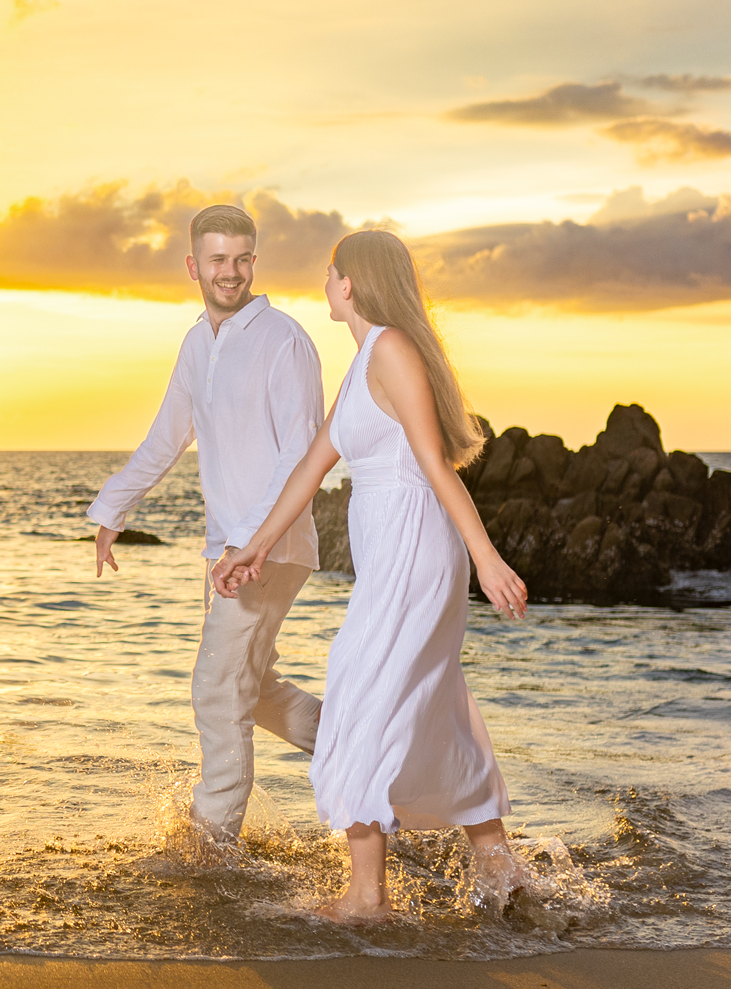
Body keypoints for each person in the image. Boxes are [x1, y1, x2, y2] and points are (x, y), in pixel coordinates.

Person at [213, 229, 528, 922]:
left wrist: (486, 557)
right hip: (392, 553)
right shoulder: (362, 361)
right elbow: (311, 468)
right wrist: (253, 548)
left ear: (349, 282)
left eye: (329, 274)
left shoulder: (390, 348)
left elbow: (435, 465)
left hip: (416, 547)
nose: (324, 284)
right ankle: (498, 862)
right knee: (430, 697)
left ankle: (366, 896)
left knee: (361, 688)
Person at [87, 203, 325, 845]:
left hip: (272, 547)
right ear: (194, 264)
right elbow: (167, 435)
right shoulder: (199, 342)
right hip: (232, 550)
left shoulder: (285, 341)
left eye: (243, 258)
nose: (232, 272)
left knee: (217, 688)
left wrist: (251, 544)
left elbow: (299, 458)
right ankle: (364, 756)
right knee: (255, 687)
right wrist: (114, 509)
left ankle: (209, 849)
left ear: (255, 261)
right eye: (218, 259)